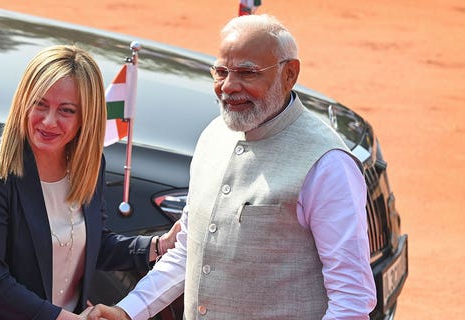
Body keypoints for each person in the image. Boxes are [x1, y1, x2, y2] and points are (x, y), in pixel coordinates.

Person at [84, 14, 377, 320]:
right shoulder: (212, 136)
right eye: (221, 71)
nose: (228, 86)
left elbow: (352, 299)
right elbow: (188, 251)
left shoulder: (327, 164)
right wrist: (128, 311)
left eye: (247, 73)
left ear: (289, 74)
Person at [0, 45, 179, 320]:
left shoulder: (90, 164)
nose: (49, 121)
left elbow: (91, 245)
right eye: (40, 104)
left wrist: (159, 245)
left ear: (86, 115)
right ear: (24, 101)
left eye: (66, 110)